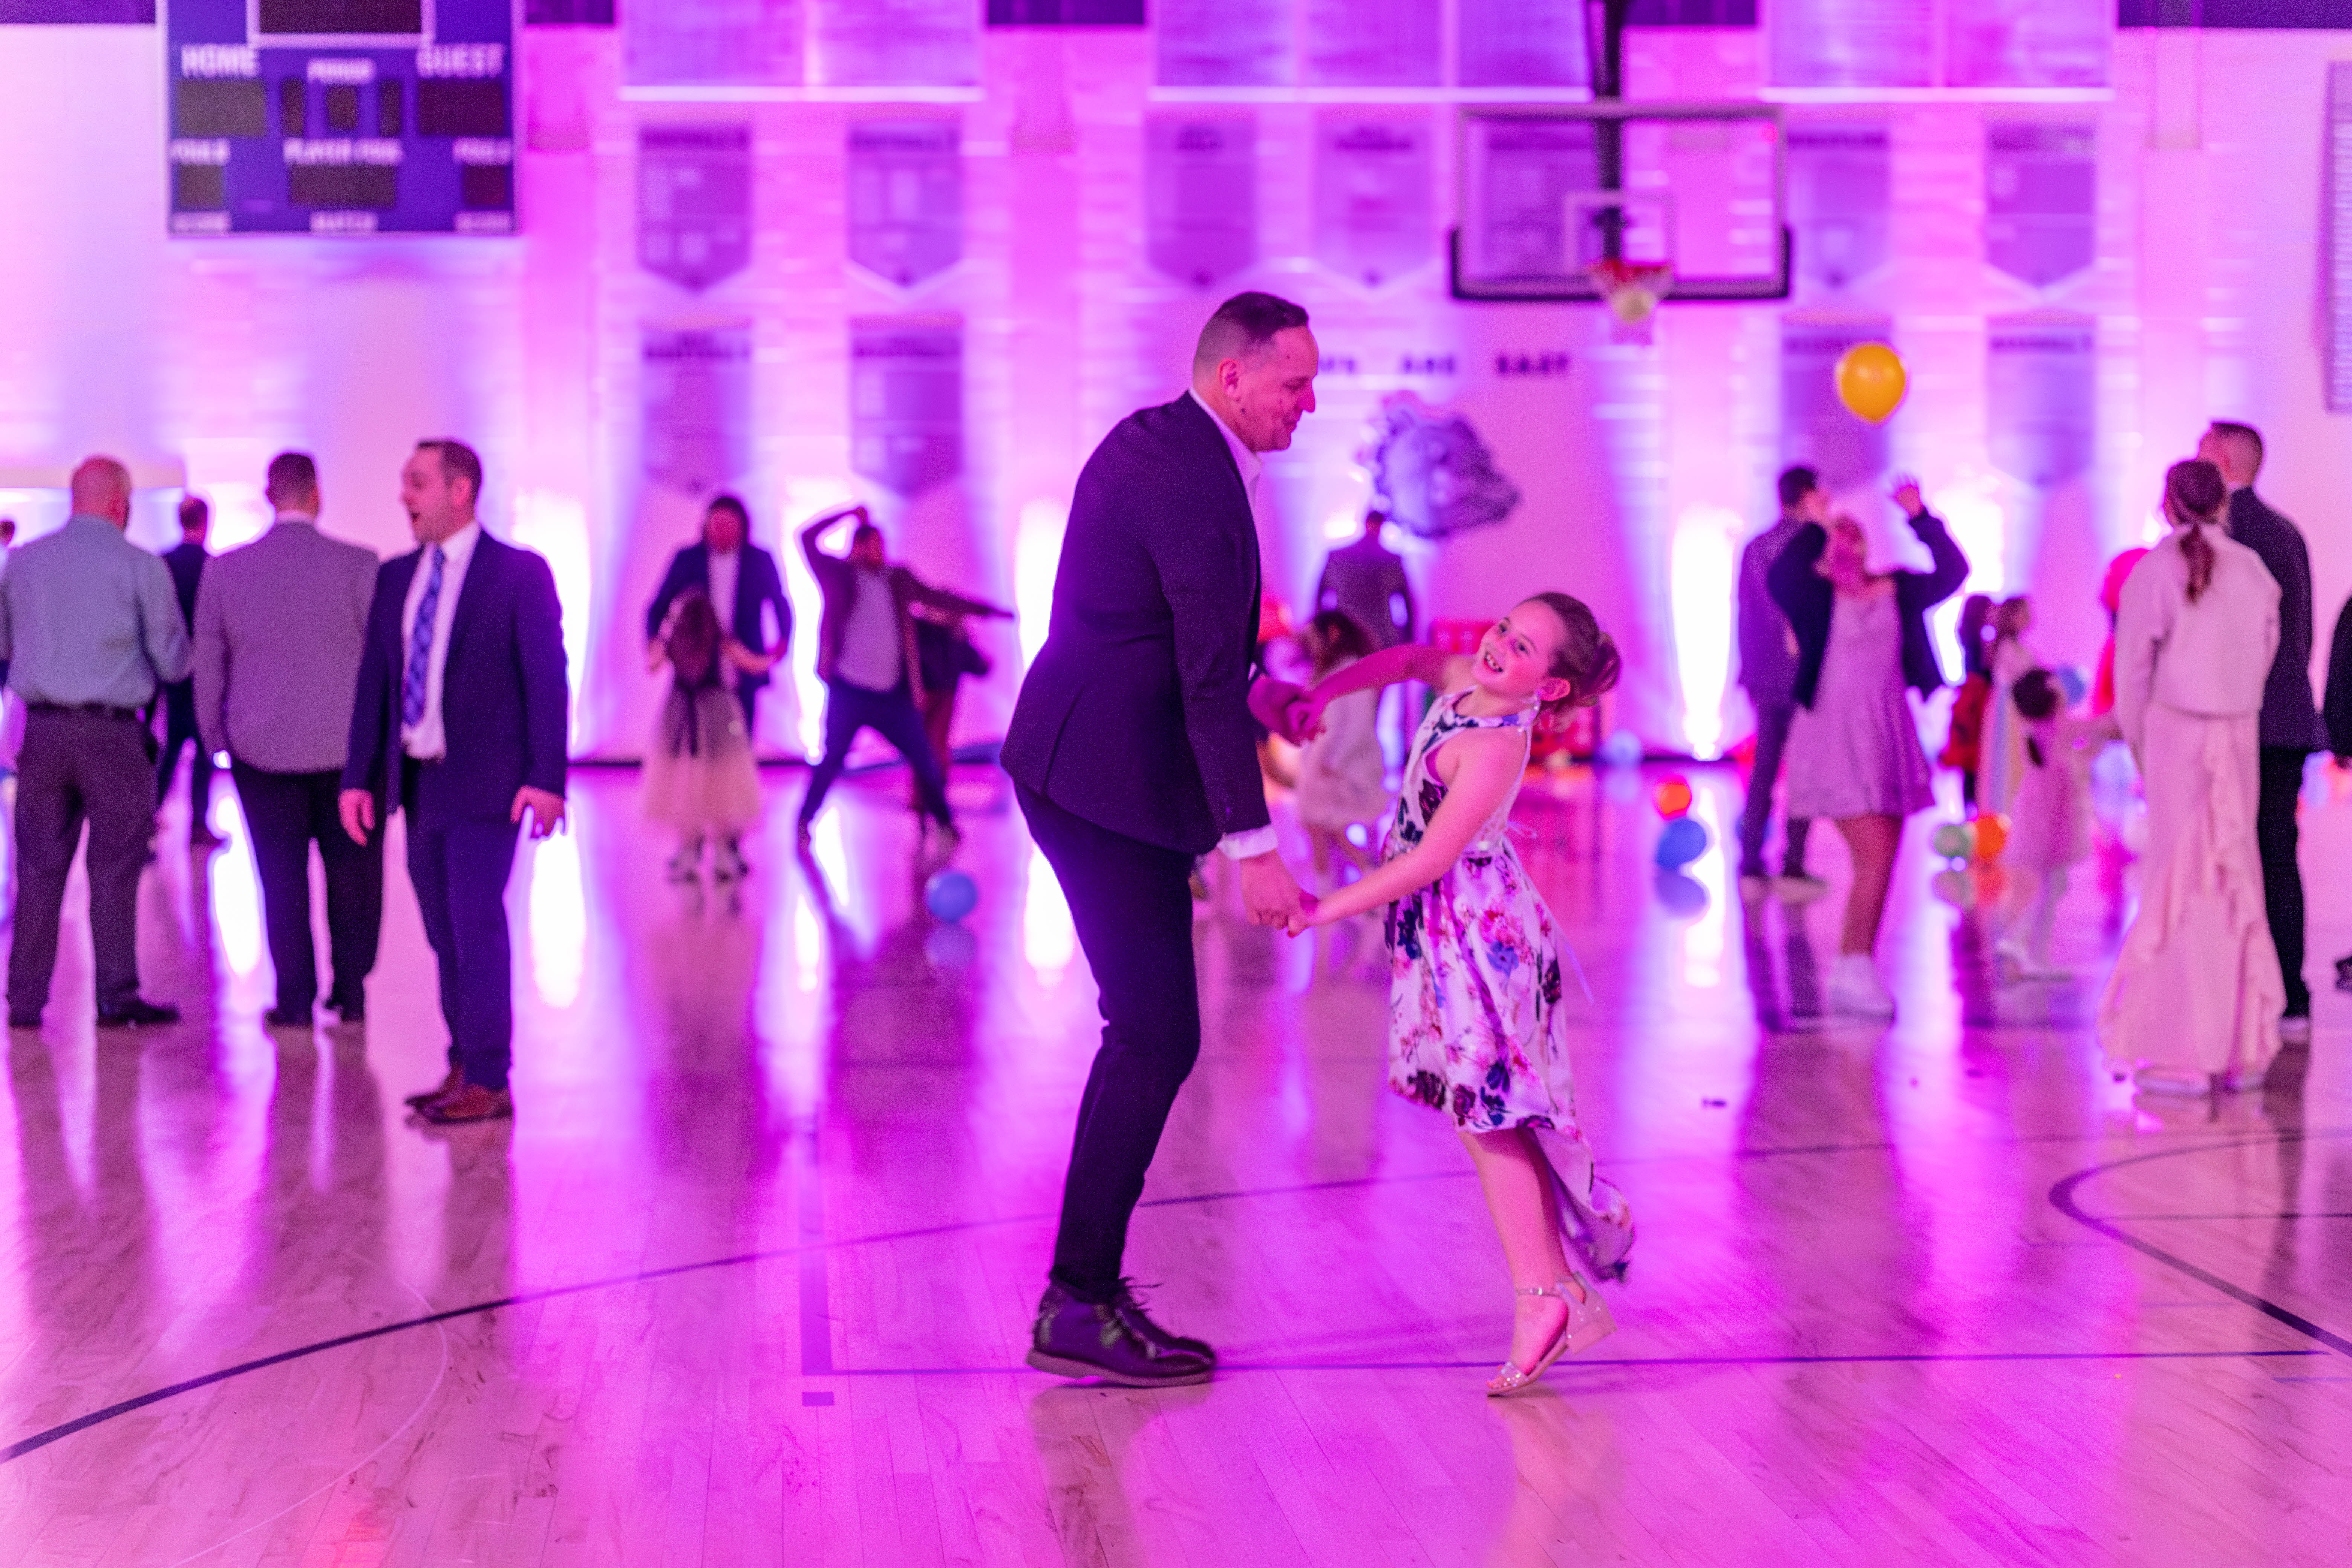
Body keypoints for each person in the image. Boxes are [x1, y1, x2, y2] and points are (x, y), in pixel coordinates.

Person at [1001, 290, 1319, 1387]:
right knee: (1152, 1035)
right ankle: (1077, 1299)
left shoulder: (1177, 445)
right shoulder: (1187, 468)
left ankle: (1080, 1292)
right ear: (1234, 377)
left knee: (1150, 1033)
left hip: (1092, 762)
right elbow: (1185, 672)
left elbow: (1175, 639)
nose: (1308, 404)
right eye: (1295, 383)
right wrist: (1255, 846)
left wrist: (1259, 694)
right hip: (1098, 780)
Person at [1288, 594, 1631, 1395]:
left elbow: (1429, 861)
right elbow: (1406, 659)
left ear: (1548, 689)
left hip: (1481, 942)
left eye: (1524, 649)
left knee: (1491, 1123)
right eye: (1505, 629)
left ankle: (1544, 1299)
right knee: (1490, 1123)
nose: (1500, 647)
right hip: (1449, 936)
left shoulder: (1497, 746)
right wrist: (1325, 694)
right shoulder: (1465, 686)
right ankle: (1561, 1294)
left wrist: (1321, 907)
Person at [339, 440, 568, 1126]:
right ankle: (465, 1062)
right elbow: (375, 686)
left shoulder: (519, 574)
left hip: (489, 784)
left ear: (460, 489)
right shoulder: (394, 577)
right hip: (419, 784)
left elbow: (547, 681)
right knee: (444, 932)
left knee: (476, 924)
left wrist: (548, 777)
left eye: (416, 483)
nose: (404, 497)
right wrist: (358, 779)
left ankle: (492, 1078)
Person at [2102, 459, 2283, 1096]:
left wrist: (2142, 746)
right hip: (2235, 731)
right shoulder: (2253, 570)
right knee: (2235, 875)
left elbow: (2132, 675)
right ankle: (2238, 1047)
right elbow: (2263, 654)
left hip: (2177, 733)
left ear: (2169, 501)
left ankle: (2182, 1049)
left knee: (2179, 880)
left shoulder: (2154, 570)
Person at [194, 451, 383, 1029]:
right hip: (348, 753)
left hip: (261, 748)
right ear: (317, 494)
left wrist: (215, 736)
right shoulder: (360, 564)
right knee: (354, 874)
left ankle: (295, 998)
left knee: (280, 876)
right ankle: (351, 991)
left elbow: (209, 664)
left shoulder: (227, 571)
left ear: (268, 495)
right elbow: (384, 662)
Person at [0, 456, 188, 1030]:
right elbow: (172, 661)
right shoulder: (141, 567)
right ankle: (115, 995)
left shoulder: (22, 564)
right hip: (112, 736)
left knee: (38, 865)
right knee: (115, 866)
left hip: (43, 733)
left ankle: (25, 999)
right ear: (120, 504)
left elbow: (6, 647)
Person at [1769, 479, 1968, 1018]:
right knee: (1873, 856)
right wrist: (1816, 523)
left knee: (1885, 858)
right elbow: (1780, 575)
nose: (1848, 547)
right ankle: (1852, 967)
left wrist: (1920, 516)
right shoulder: (1813, 598)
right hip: (1835, 734)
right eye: (1838, 541)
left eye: (1855, 539)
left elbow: (1953, 573)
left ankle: (1857, 966)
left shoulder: (1895, 589)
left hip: (1887, 733)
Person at [2197, 420, 2320, 1041]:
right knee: (2279, 853)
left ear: (2218, 457)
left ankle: (2248, 991)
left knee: (2232, 857)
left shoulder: (2223, 534)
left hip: (2244, 720)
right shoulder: (2289, 532)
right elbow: (2303, 634)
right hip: (2291, 717)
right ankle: (2292, 995)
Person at [795, 504, 1009, 850]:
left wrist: (989, 611)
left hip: (892, 696)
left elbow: (940, 598)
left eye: (877, 544)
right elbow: (806, 538)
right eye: (865, 544)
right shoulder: (839, 577)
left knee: (924, 757)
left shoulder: (898, 580)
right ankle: (805, 820)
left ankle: (944, 824)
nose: (872, 551)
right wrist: (849, 514)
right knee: (833, 758)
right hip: (849, 692)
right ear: (854, 547)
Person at [1735, 466, 1830, 899]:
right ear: (1808, 494)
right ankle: (1793, 862)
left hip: (1763, 672)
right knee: (1804, 770)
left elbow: (1746, 614)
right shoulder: (1813, 544)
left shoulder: (1755, 547)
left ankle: (1751, 859)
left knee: (1764, 769)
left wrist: (1748, 668)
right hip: (1801, 675)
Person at [643, 494, 793, 742]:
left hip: (744, 659)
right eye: (716, 525)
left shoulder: (759, 560)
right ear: (706, 526)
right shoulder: (687, 559)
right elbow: (658, 605)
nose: (722, 533)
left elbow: (780, 602)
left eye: (729, 526)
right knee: (696, 735)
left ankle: (737, 779)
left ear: (742, 528)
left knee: (741, 733)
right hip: (696, 662)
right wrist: (655, 642)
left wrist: (784, 638)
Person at [646, 587, 769, 885]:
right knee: (721, 783)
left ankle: (695, 852)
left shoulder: (681, 640)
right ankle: (718, 852)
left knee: (688, 784)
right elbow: (749, 662)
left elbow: (652, 666)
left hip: (693, 716)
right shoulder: (716, 639)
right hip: (712, 713)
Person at [1995, 669, 2101, 980]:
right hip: (2052, 823)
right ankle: (2021, 944)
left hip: (2041, 818)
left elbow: (2079, 754)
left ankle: (2027, 947)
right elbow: (2096, 733)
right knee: (2050, 886)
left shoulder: (2039, 731)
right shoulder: (2060, 728)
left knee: (2051, 885)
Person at [1292, 609, 1387, 888]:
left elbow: (1352, 726)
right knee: (1323, 826)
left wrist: (1332, 764)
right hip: (1332, 763)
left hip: (1337, 765)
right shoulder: (1346, 669)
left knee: (1319, 824)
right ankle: (1355, 879)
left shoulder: (1348, 672)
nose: (1312, 646)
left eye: (1314, 639)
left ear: (1331, 634)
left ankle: (1331, 890)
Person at [155, 494, 218, 847]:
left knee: (172, 748)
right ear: (207, 521)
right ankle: (198, 824)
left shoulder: (163, 563)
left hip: (171, 669)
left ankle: (151, 814)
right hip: (206, 671)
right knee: (204, 751)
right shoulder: (214, 565)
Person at [1977, 596, 2039, 825]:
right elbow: (2022, 679)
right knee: (2007, 763)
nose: (2030, 618)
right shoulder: (2006, 649)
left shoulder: (2019, 648)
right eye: (2024, 613)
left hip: (2019, 710)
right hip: (2010, 713)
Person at [1939, 593, 1993, 812]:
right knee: (1974, 759)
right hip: (1976, 705)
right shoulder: (1977, 643)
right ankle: (1974, 810)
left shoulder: (1972, 638)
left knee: (1971, 762)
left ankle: (1971, 811)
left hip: (1972, 703)